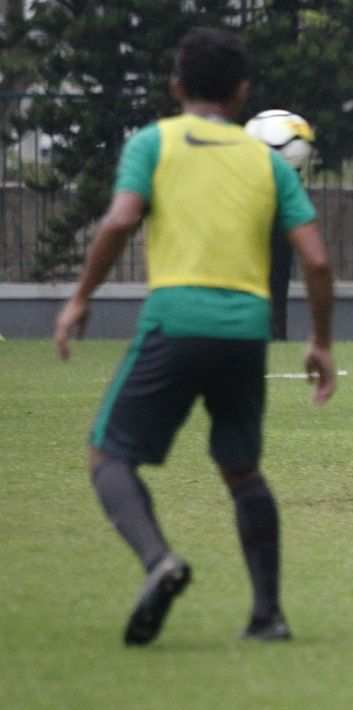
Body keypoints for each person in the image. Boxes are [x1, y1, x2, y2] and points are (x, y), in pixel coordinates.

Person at [53, 27, 336, 644]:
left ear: (175, 86)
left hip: (174, 320)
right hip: (245, 331)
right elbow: (315, 261)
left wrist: (80, 298)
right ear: (241, 95)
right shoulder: (265, 160)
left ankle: (160, 560)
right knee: (242, 470)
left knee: (109, 455)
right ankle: (268, 615)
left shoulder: (152, 143)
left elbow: (121, 219)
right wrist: (320, 342)